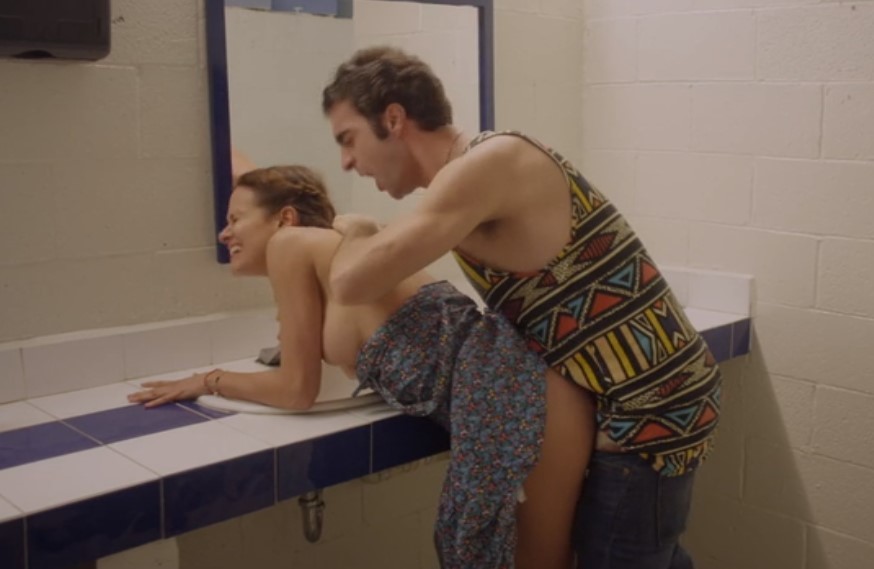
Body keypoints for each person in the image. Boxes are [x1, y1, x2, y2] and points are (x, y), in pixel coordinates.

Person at [321, 46, 722, 569]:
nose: (346, 162)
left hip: (645, 414)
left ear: (393, 118)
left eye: (347, 139)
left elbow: (351, 283)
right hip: (661, 399)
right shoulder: (479, 169)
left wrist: (356, 230)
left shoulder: (487, 165)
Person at [128, 165, 594, 569]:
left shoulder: (290, 244)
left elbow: (296, 390)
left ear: (284, 218)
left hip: (521, 393)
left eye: (235, 219)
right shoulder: (335, 253)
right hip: (524, 385)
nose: (224, 233)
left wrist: (208, 381)